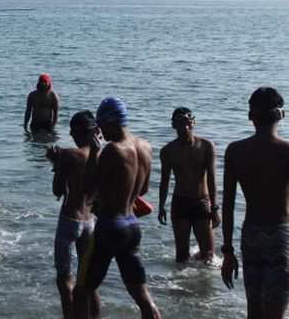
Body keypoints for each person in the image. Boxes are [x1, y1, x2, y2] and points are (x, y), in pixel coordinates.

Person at [71, 97, 161, 319]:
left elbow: (87, 188)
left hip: (110, 227)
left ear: (112, 121)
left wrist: (93, 151)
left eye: (102, 125)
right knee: (141, 293)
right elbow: (144, 189)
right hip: (132, 227)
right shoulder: (146, 147)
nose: (100, 130)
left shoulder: (113, 150)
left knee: (81, 291)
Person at [221, 87, 288, 319]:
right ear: (281, 115)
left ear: (250, 116)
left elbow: (227, 205)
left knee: (254, 313)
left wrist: (227, 251)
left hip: (250, 236)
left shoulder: (234, 151)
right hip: (281, 237)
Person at [48, 111, 101, 319]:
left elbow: (58, 190)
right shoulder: (102, 156)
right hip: (90, 222)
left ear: (76, 133)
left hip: (70, 221)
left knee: (65, 280)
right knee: (89, 282)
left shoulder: (70, 155)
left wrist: (56, 163)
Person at [158, 107, 220, 263]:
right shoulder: (167, 151)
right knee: (181, 256)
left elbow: (212, 180)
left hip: (202, 202)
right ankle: (179, 286)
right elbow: (164, 181)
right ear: (173, 126)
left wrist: (215, 208)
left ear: (194, 123)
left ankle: (204, 285)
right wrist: (161, 207)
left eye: (188, 123)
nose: (185, 127)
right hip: (180, 203)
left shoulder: (207, 146)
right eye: (181, 124)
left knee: (209, 257)